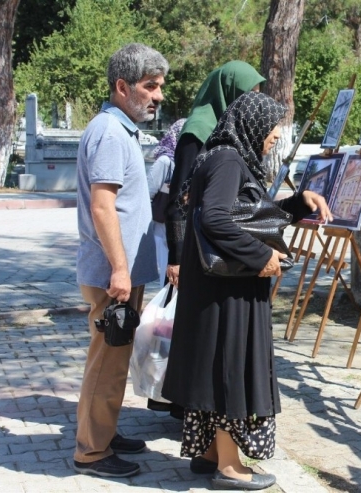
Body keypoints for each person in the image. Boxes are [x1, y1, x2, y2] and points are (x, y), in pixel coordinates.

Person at [161, 92, 332, 491]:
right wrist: (260, 258)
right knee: (227, 368)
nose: (275, 135)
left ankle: (209, 456)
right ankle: (229, 466)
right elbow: (217, 219)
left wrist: (297, 204)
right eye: (272, 126)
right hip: (225, 291)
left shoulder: (223, 156)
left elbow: (247, 216)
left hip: (217, 289)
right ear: (253, 124)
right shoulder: (227, 160)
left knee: (215, 366)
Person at [73, 43, 168, 478]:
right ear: (122, 87)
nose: (158, 96)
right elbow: (102, 207)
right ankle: (92, 452)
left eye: (161, 86)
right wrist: (119, 268)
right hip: (114, 274)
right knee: (106, 363)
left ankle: (104, 434)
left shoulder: (120, 129)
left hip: (121, 271)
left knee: (114, 359)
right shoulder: (110, 133)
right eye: (150, 87)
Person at [165, 61, 265, 289]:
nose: (253, 105)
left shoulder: (231, 132)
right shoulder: (198, 132)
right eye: (249, 96)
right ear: (231, 94)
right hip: (196, 251)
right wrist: (177, 258)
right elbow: (178, 200)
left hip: (220, 249)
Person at [147, 118, 186, 285]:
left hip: (180, 226)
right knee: (167, 267)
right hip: (162, 226)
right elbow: (147, 193)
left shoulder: (186, 161)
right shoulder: (165, 162)